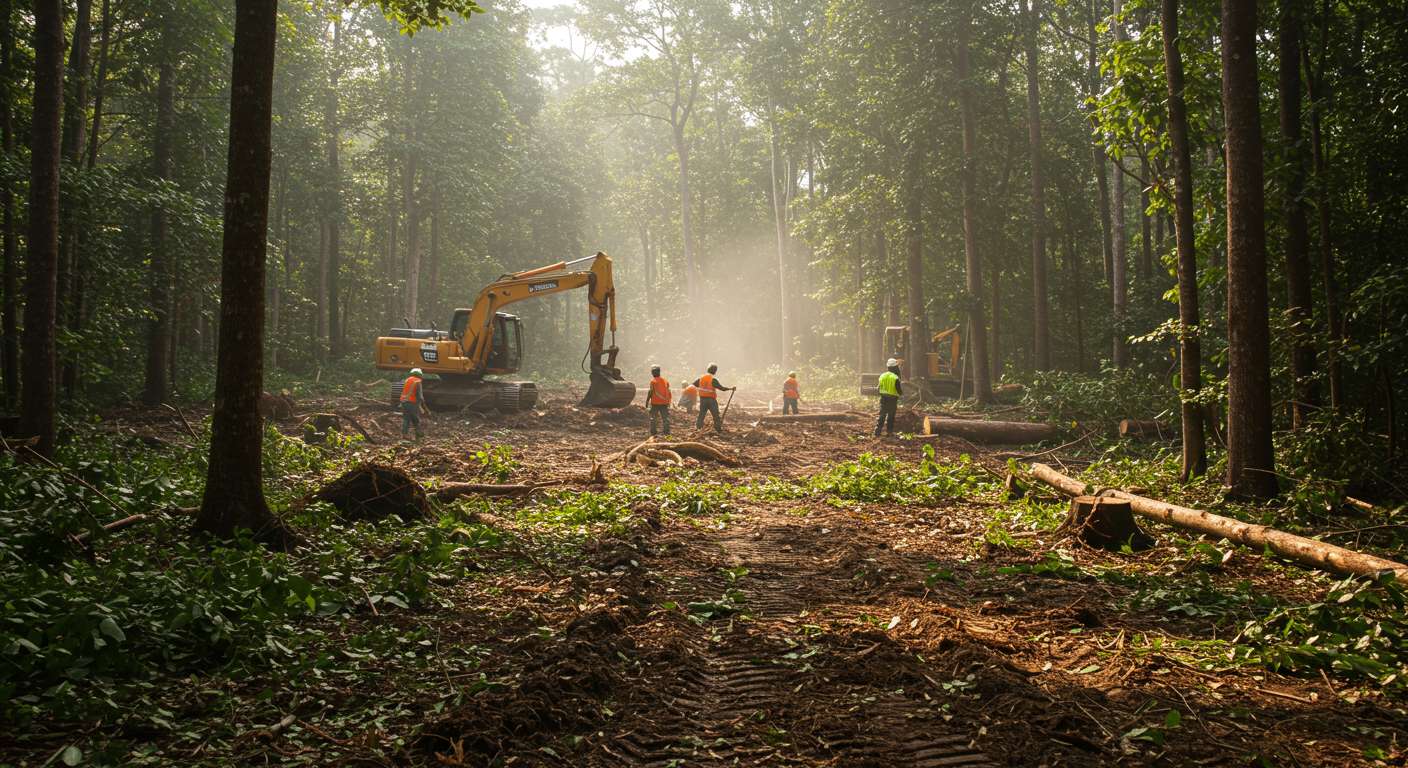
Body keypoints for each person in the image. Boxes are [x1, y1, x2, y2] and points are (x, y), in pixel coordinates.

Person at [693, 363, 736, 433]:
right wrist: (731, 389)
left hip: (702, 399)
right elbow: (722, 388)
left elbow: (694, 385)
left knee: (701, 414)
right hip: (711, 400)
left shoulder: (701, 378)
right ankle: (718, 429)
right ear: (715, 371)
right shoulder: (713, 379)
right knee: (715, 414)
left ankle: (698, 428)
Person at [399, 368, 431, 440]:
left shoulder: (407, 380)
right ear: (420, 375)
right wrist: (424, 406)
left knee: (406, 418)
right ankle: (418, 433)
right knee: (415, 418)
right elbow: (420, 396)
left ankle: (405, 434)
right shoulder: (417, 381)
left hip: (403, 402)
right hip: (411, 403)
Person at [874, 358, 903, 437]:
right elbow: (898, 390)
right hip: (892, 399)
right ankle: (889, 432)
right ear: (895, 367)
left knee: (882, 415)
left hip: (883, 398)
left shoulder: (882, 375)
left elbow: (878, 388)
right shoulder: (895, 377)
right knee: (891, 416)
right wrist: (901, 394)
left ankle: (877, 431)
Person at [644, 365, 672, 436]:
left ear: (653, 373)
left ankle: (653, 434)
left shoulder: (653, 381)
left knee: (653, 418)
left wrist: (647, 401)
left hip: (655, 403)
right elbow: (669, 392)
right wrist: (669, 402)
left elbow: (651, 392)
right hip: (664, 403)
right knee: (665, 419)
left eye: (652, 372)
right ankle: (667, 435)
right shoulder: (665, 381)